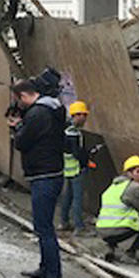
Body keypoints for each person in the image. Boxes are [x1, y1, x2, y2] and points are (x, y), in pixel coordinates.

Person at [7, 78, 66, 278]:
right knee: (42, 226)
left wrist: (17, 127)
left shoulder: (37, 114)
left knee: (44, 227)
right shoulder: (52, 109)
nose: (19, 105)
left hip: (44, 175)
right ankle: (45, 267)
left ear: (23, 96)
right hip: (50, 173)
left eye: (18, 100)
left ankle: (54, 276)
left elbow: (22, 142)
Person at [96, 155, 139, 264]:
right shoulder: (134, 187)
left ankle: (110, 248)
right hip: (117, 231)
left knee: (120, 217)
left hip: (102, 231)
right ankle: (130, 253)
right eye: (138, 172)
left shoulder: (112, 187)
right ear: (129, 173)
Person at [59, 100, 90, 234]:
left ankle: (64, 222)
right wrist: (86, 160)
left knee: (67, 197)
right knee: (77, 198)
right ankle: (79, 226)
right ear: (77, 115)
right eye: (84, 115)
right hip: (77, 169)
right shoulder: (73, 133)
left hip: (68, 169)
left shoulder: (64, 129)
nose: (85, 119)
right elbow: (76, 153)